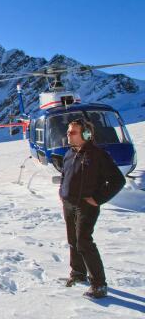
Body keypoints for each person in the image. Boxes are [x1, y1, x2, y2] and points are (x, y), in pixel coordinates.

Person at [59, 119, 125, 299]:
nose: (68, 135)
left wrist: (97, 199)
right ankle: (78, 273)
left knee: (84, 242)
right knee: (73, 240)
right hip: (69, 204)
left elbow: (118, 180)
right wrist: (62, 193)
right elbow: (64, 174)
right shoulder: (69, 154)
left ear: (86, 135)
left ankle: (99, 285)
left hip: (86, 206)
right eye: (68, 132)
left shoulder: (98, 156)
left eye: (72, 132)